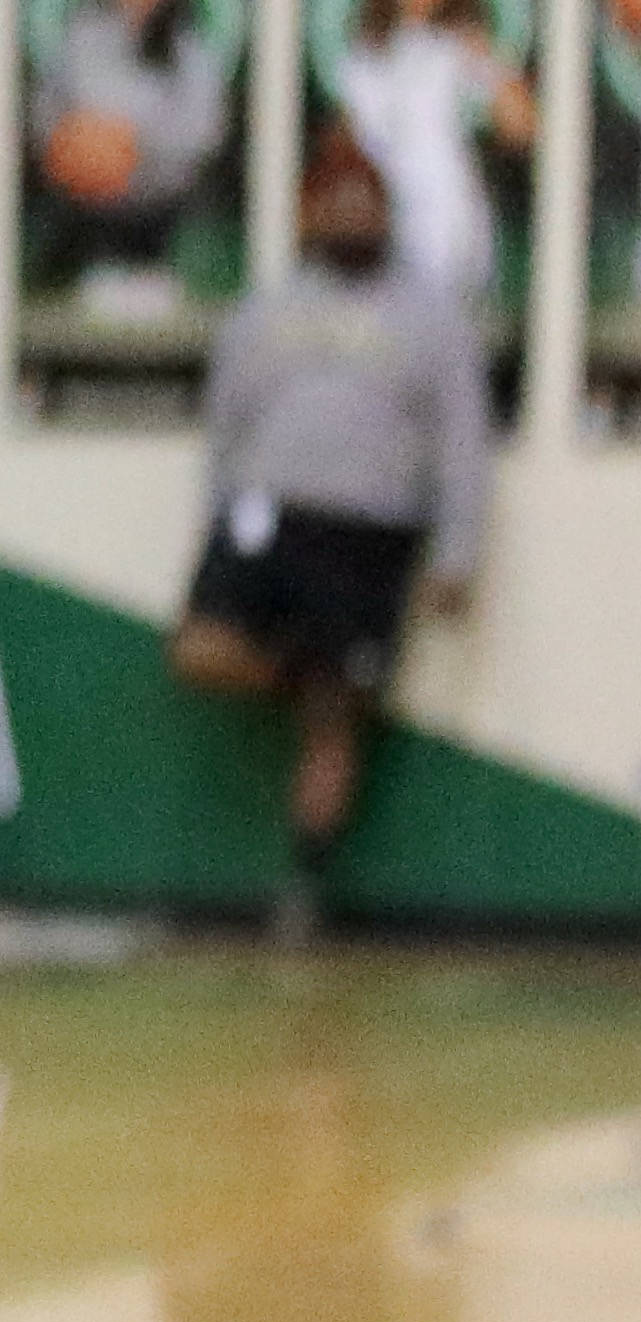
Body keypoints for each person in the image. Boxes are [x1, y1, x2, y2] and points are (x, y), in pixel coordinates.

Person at [175, 141, 496, 939]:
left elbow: (461, 442)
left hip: (370, 532)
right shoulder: (268, 310)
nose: (352, 214)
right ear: (309, 213)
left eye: (366, 201)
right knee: (199, 649)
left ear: (386, 215)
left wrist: (456, 553)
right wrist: (220, 513)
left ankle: (304, 887)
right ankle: (306, 669)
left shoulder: (431, 318)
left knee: (333, 721)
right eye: (336, 199)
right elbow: (225, 424)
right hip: (267, 516)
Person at [327, 0, 534, 310]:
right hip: (381, 216)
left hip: (448, 215)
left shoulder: (457, 50)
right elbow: (347, 140)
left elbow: (520, 125)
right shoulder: (362, 57)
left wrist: (488, 61)